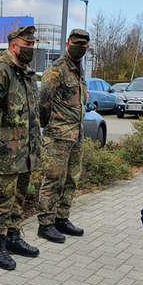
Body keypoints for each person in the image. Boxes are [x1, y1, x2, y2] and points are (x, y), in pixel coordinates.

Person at [0, 25, 42, 270]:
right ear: (13, 45)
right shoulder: (1, 70)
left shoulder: (26, 72)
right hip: (6, 152)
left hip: (26, 150)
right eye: (26, 45)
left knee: (19, 198)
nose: (30, 48)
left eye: (32, 44)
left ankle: (13, 237)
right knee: (2, 201)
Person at [37, 29, 90, 243]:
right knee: (53, 179)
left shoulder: (78, 70)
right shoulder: (57, 69)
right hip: (58, 135)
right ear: (68, 43)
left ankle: (62, 218)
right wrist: (48, 126)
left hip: (76, 134)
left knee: (71, 179)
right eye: (77, 43)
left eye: (84, 45)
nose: (81, 47)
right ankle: (45, 224)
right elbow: (43, 100)